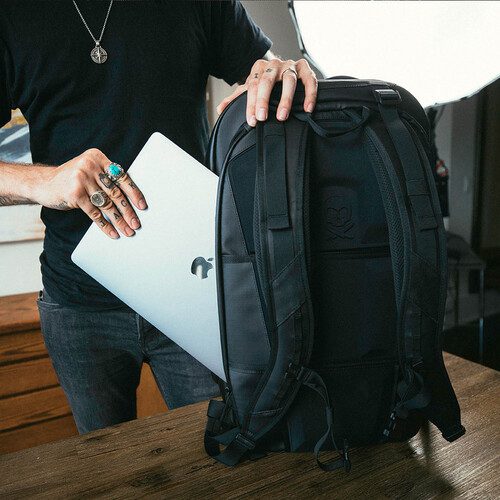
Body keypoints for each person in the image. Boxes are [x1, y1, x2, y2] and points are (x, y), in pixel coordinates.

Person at [0, 1, 318, 433]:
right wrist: (45, 181)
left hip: (195, 284)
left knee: (224, 448)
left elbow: (265, 70)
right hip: (77, 304)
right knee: (104, 462)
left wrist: (279, 75)